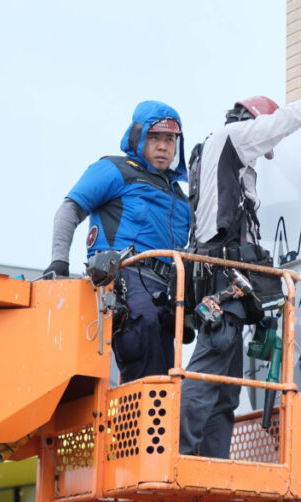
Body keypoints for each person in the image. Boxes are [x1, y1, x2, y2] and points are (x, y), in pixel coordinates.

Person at [179, 75, 301, 459]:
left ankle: (212, 460)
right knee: (208, 371)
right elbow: (282, 123)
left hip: (222, 279)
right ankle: (184, 453)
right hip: (223, 277)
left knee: (225, 383)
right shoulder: (234, 137)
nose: (262, 152)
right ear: (251, 121)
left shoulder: (220, 158)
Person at [45, 101, 191, 383]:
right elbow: (69, 209)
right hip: (126, 277)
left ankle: (164, 423)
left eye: (170, 139)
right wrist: (58, 262)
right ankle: (145, 421)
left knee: (170, 368)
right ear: (138, 137)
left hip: (170, 289)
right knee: (143, 332)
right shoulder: (115, 169)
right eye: (154, 137)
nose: (163, 146)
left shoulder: (181, 198)